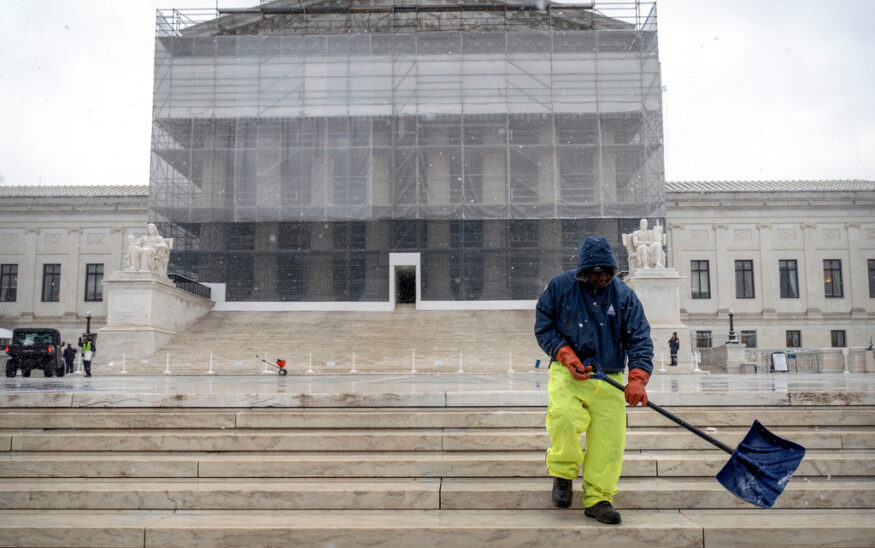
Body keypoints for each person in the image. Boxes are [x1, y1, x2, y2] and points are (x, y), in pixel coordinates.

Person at [535, 236, 654, 525]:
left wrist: (637, 378)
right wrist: (565, 354)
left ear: (613, 270)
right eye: (593, 271)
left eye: (605, 272)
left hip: (609, 376)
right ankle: (563, 474)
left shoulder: (624, 295)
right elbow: (544, 326)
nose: (599, 277)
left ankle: (599, 497)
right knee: (563, 418)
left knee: (609, 441)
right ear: (582, 270)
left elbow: (639, 338)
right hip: (568, 372)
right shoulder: (560, 287)